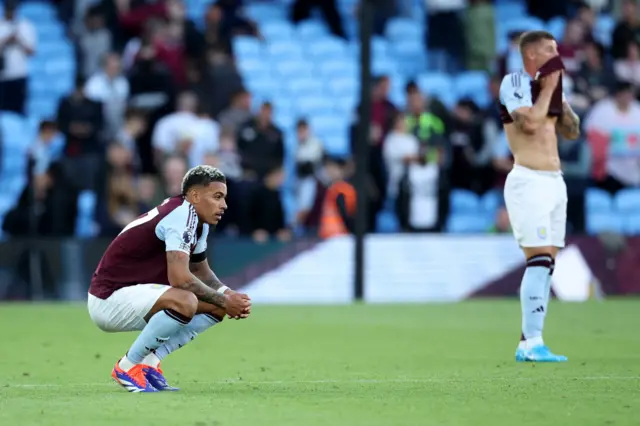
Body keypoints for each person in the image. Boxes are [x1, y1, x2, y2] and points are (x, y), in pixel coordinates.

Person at [87, 165, 252, 392]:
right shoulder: (181, 215)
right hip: (108, 299)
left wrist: (227, 295)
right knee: (186, 300)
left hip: (137, 295)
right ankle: (127, 365)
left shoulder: (197, 221)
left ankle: (149, 363)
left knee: (216, 306)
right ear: (195, 195)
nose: (224, 205)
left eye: (223, 198)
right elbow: (181, 280)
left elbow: (201, 271)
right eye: (217, 197)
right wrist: (225, 300)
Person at [497, 31, 581, 363]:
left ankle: (530, 341)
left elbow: (572, 132)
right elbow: (529, 125)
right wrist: (548, 90)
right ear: (531, 55)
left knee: (547, 265)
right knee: (539, 260)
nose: (556, 54)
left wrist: (564, 102)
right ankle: (531, 342)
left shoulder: (551, 90)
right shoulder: (514, 81)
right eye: (549, 49)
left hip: (554, 181)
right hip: (528, 179)